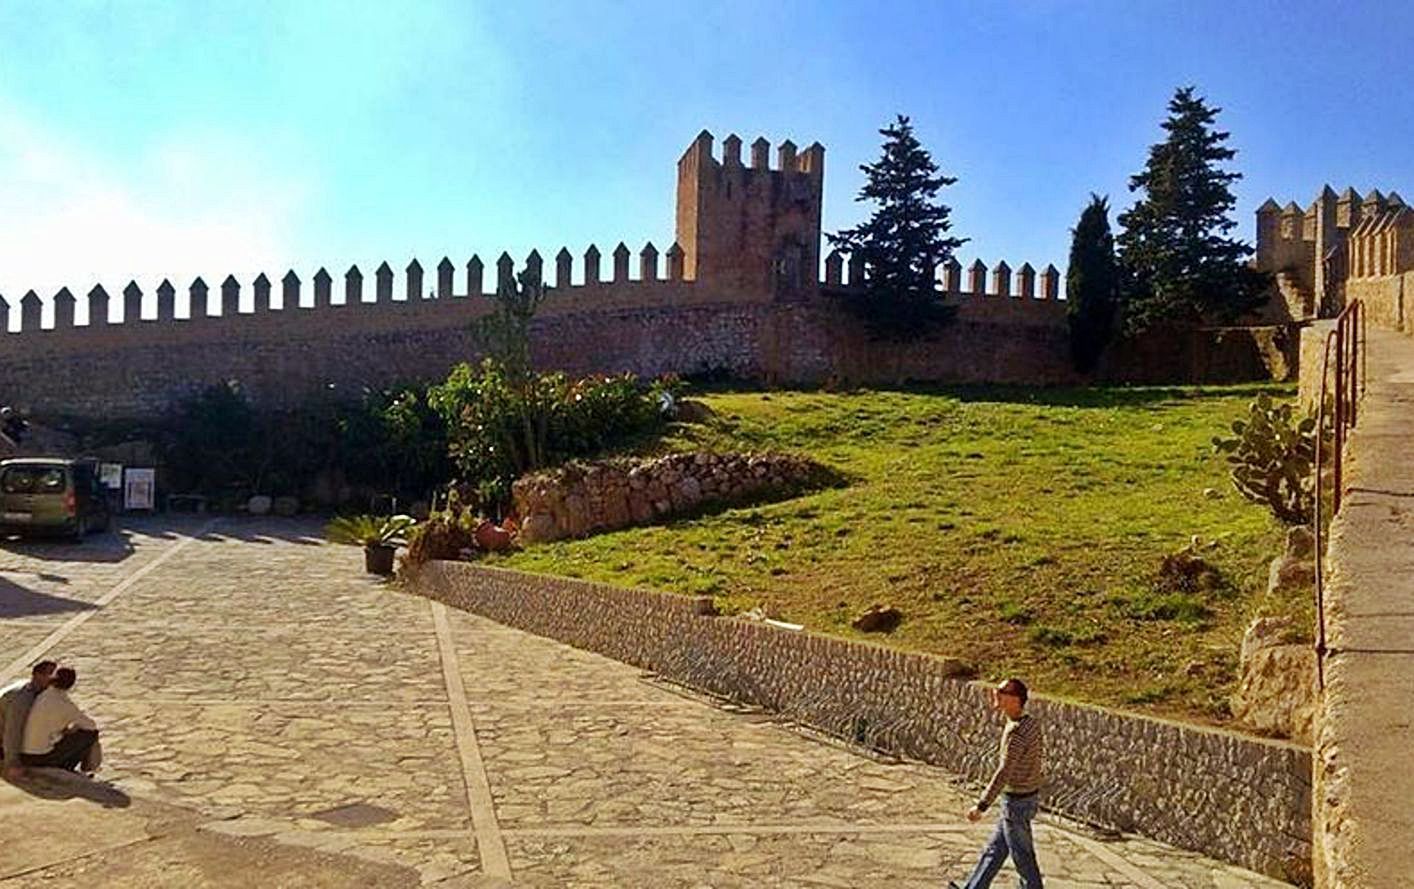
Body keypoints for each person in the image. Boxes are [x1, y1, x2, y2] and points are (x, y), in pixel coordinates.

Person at [949, 677, 1044, 889]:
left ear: (1015, 699)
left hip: (1016, 802)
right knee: (994, 850)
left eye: (1002, 693)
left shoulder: (1016, 732)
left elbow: (1004, 771)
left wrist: (982, 805)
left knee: (1023, 858)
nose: (996, 696)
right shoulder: (1030, 724)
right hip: (1025, 798)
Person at [21, 667, 101, 774]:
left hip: (25, 753)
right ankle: (70, 766)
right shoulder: (65, 704)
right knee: (89, 734)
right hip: (40, 757)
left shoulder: (45, 694)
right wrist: (74, 728)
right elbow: (91, 726)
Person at [0, 660, 57, 780]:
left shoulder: (34, 689)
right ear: (37, 675)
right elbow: (12, 731)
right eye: (49, 674)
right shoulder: (22, 699)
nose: (53, 678)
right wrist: (12, 762)